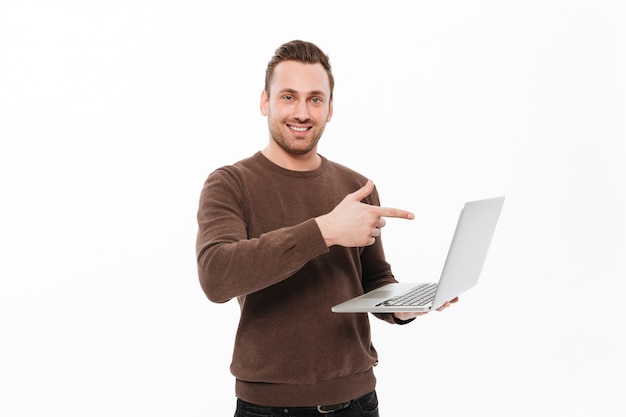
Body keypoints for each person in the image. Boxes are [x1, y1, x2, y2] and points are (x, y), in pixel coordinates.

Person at [195, 40, 457, 417]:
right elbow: (216, 276)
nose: (302, 112)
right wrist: (324, 231)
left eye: (315, 99)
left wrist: (404, 306)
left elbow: (373, 279)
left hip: (359, 400)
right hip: (270, 407)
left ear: (330, 109)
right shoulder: (230, 183)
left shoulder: (357, 187)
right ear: (264, 102)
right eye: (288, 97)